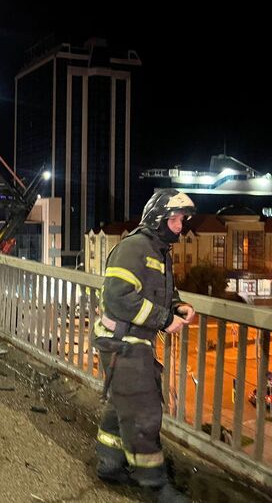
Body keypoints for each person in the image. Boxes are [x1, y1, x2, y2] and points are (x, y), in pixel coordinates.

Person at [94, 189, 196, 502]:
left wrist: (177, 306)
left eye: (182, 220)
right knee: (144, 411)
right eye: (175, 219)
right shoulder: (134, 248)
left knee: (123, 402)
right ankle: (155, 484)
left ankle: (110, 464)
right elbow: (118, 297)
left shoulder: (159, 252)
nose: (180, 226)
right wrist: (165, 319)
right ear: (158, 217)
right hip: (123, 341)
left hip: (132, 340)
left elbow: (158, 292)